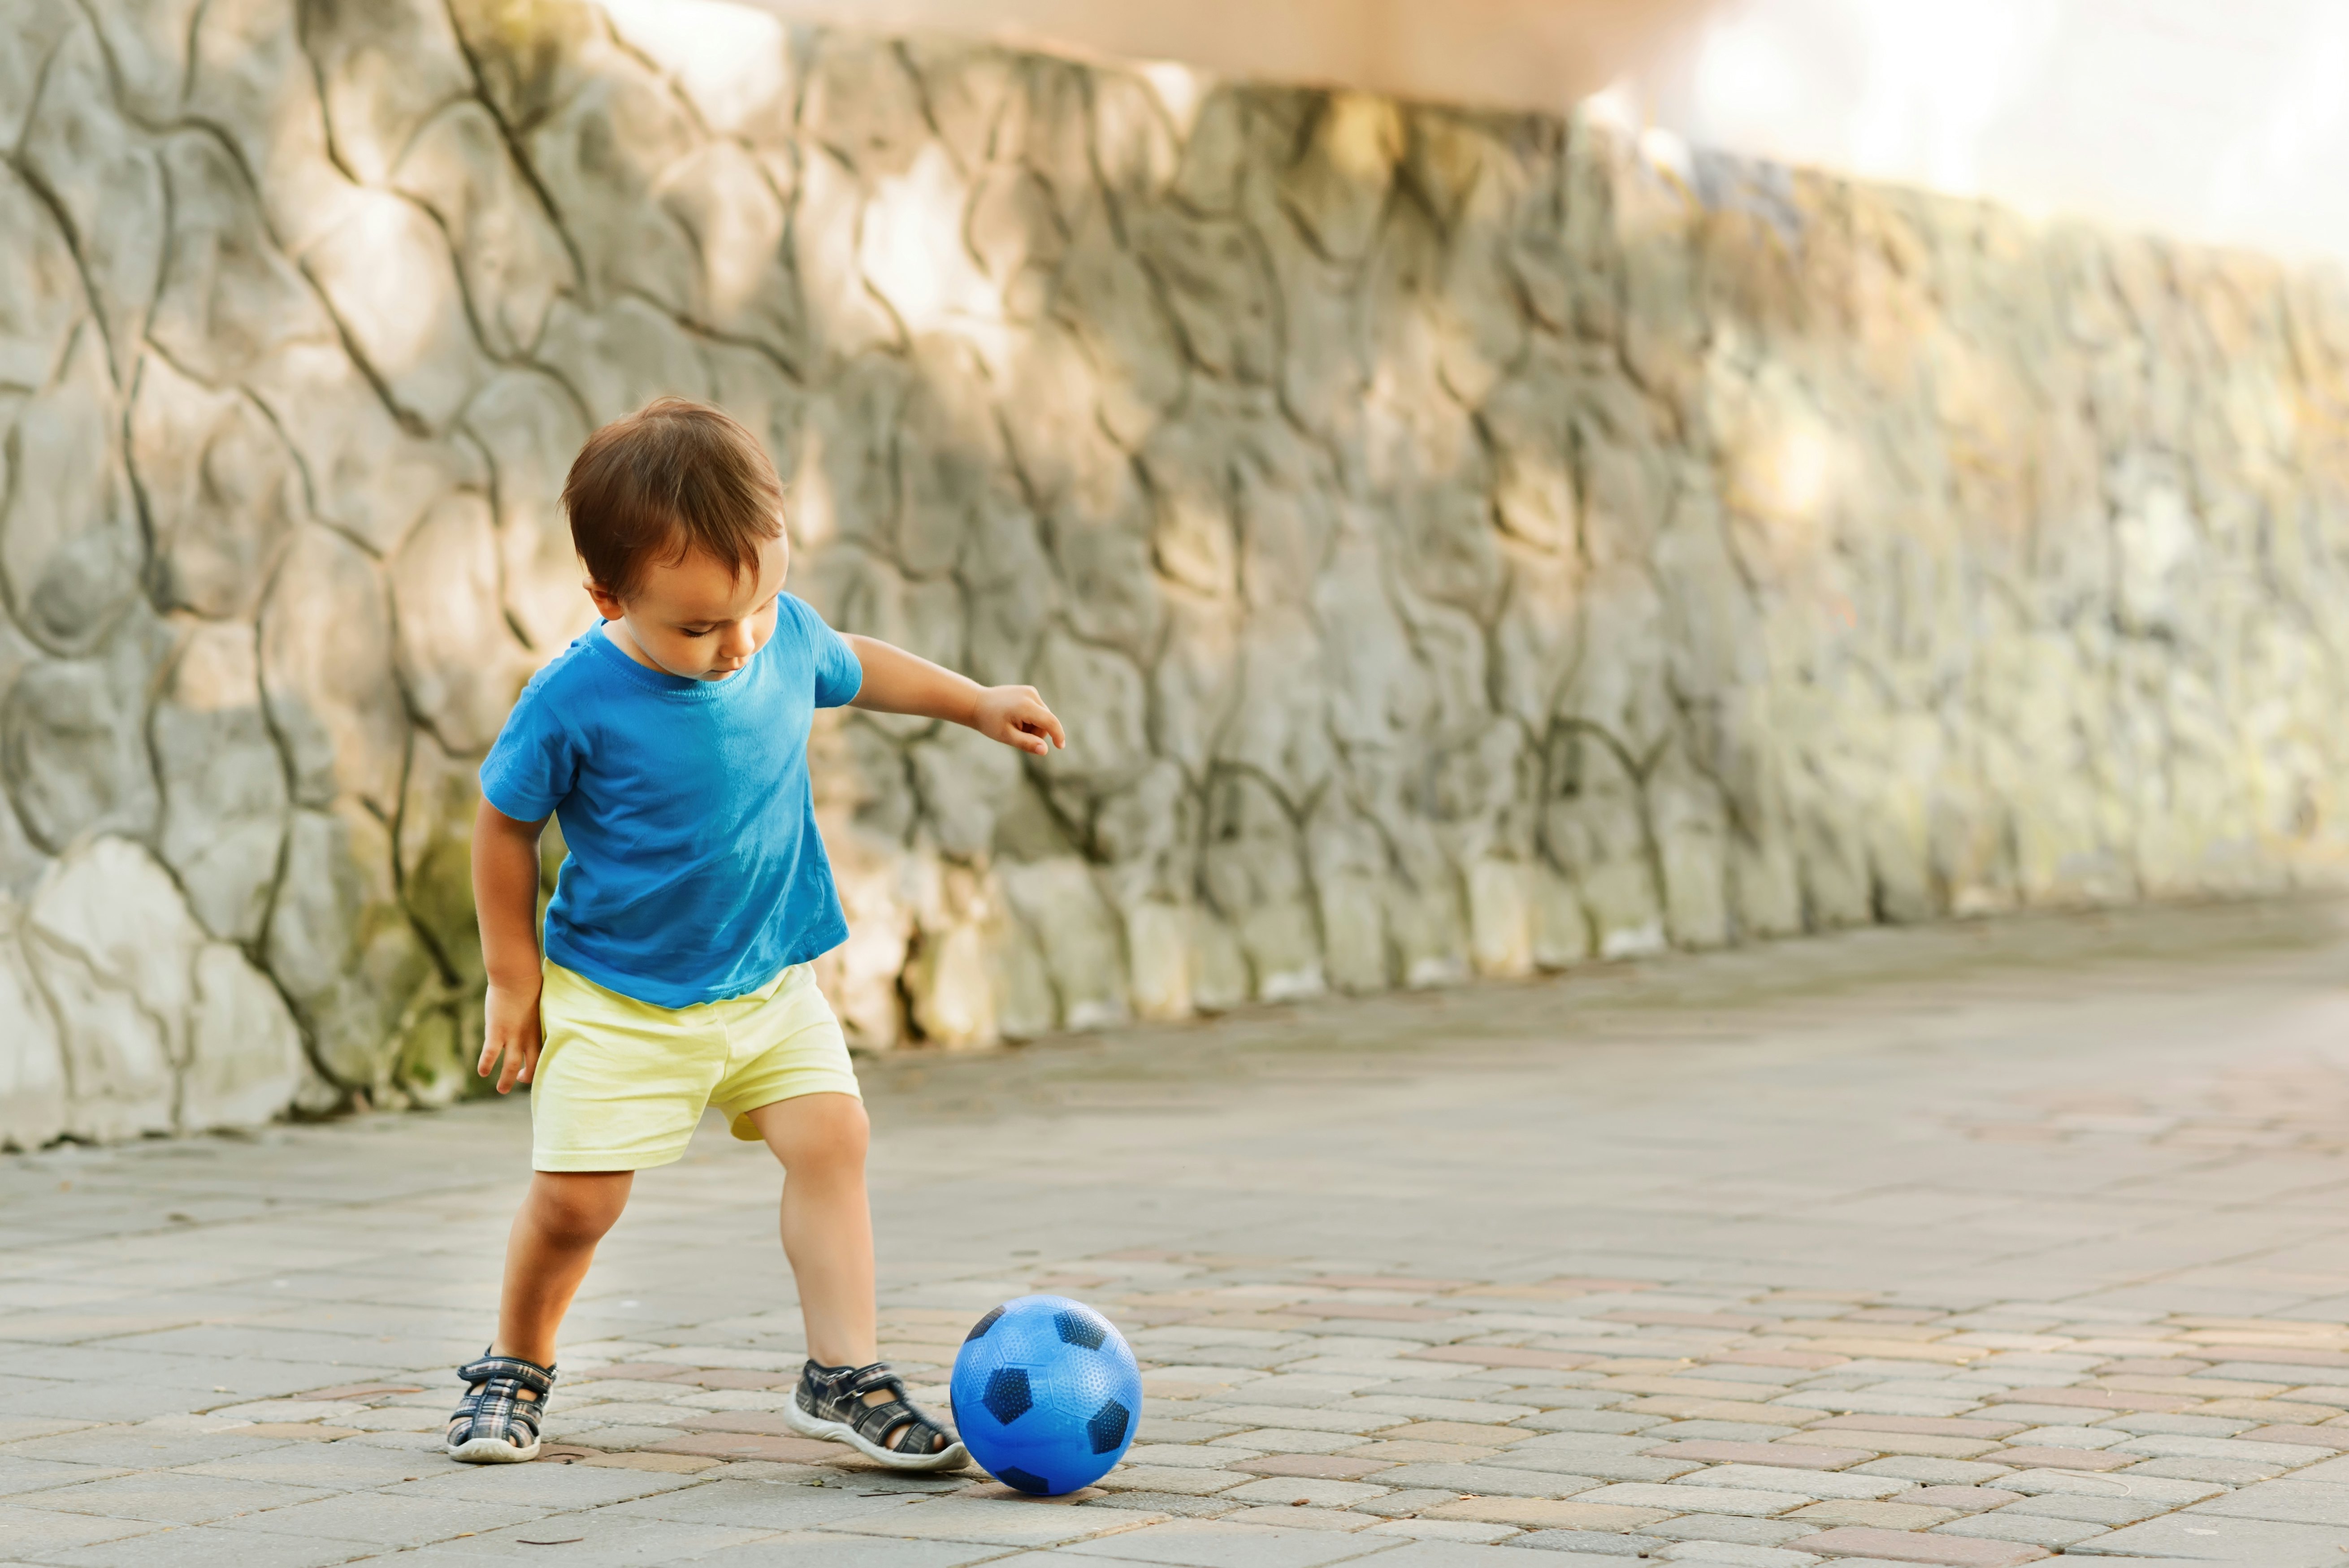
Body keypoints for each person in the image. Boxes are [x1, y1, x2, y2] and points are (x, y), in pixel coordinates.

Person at [442, 397, 1065, 1468]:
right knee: (579, 1204)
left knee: (833, 1141)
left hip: (768, 984)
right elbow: (504, 824)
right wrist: (513, 978)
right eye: (697, 627)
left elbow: (860, 665)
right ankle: (515, 1363)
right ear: (609, 596)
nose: (738, 646)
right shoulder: (573, 697)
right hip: (622, 995)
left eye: (758, 608)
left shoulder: (779, 636)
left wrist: (971, 703)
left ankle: (842, 1374)